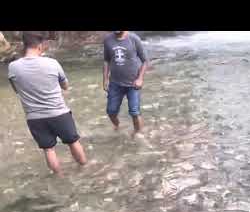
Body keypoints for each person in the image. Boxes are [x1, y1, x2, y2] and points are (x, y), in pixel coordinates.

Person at [8, 32, 87, 176]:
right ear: (39, 46)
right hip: (59, 113)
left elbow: (16, 90)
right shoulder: (52, 63)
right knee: (73, 142)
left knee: (49, 149)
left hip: (35, 118)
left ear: (24, 46)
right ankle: (84, 169)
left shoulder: (13, 67)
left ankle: (60, 177)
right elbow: (65, 86)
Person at [103, 31, 148, 136]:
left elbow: (145, 61)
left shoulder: (134, 39)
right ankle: (118, 127)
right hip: (115, 83)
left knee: (134, 112)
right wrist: (105, 79)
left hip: (133, 84)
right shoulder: (107, 40)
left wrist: (140, 79)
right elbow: (106, 60)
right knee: (111, 112)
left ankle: (137, 134)